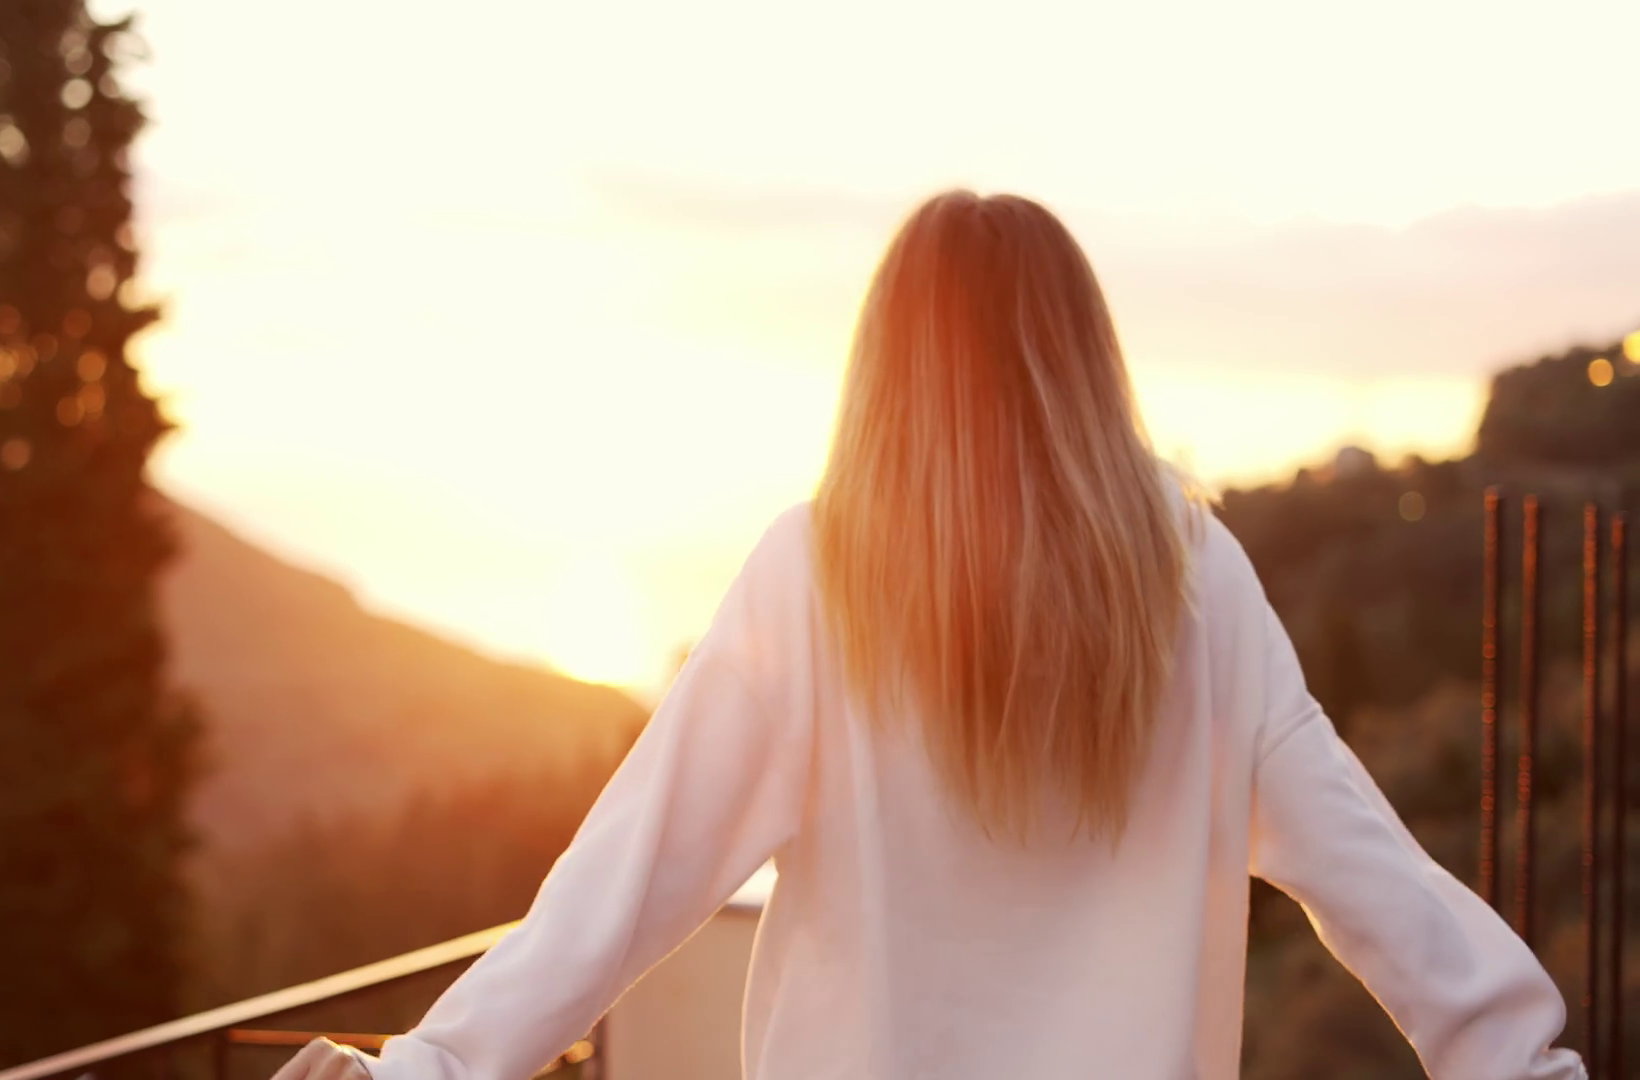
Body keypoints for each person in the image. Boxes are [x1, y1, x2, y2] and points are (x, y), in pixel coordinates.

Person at [274, 191, 1584, 1080]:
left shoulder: (816, 574)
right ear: (1085, 363)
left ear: (888, 371)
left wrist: (429, 1069)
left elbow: (626, 884)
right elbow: (1372, 880)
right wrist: (1522, 1061)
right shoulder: (1196, 581)